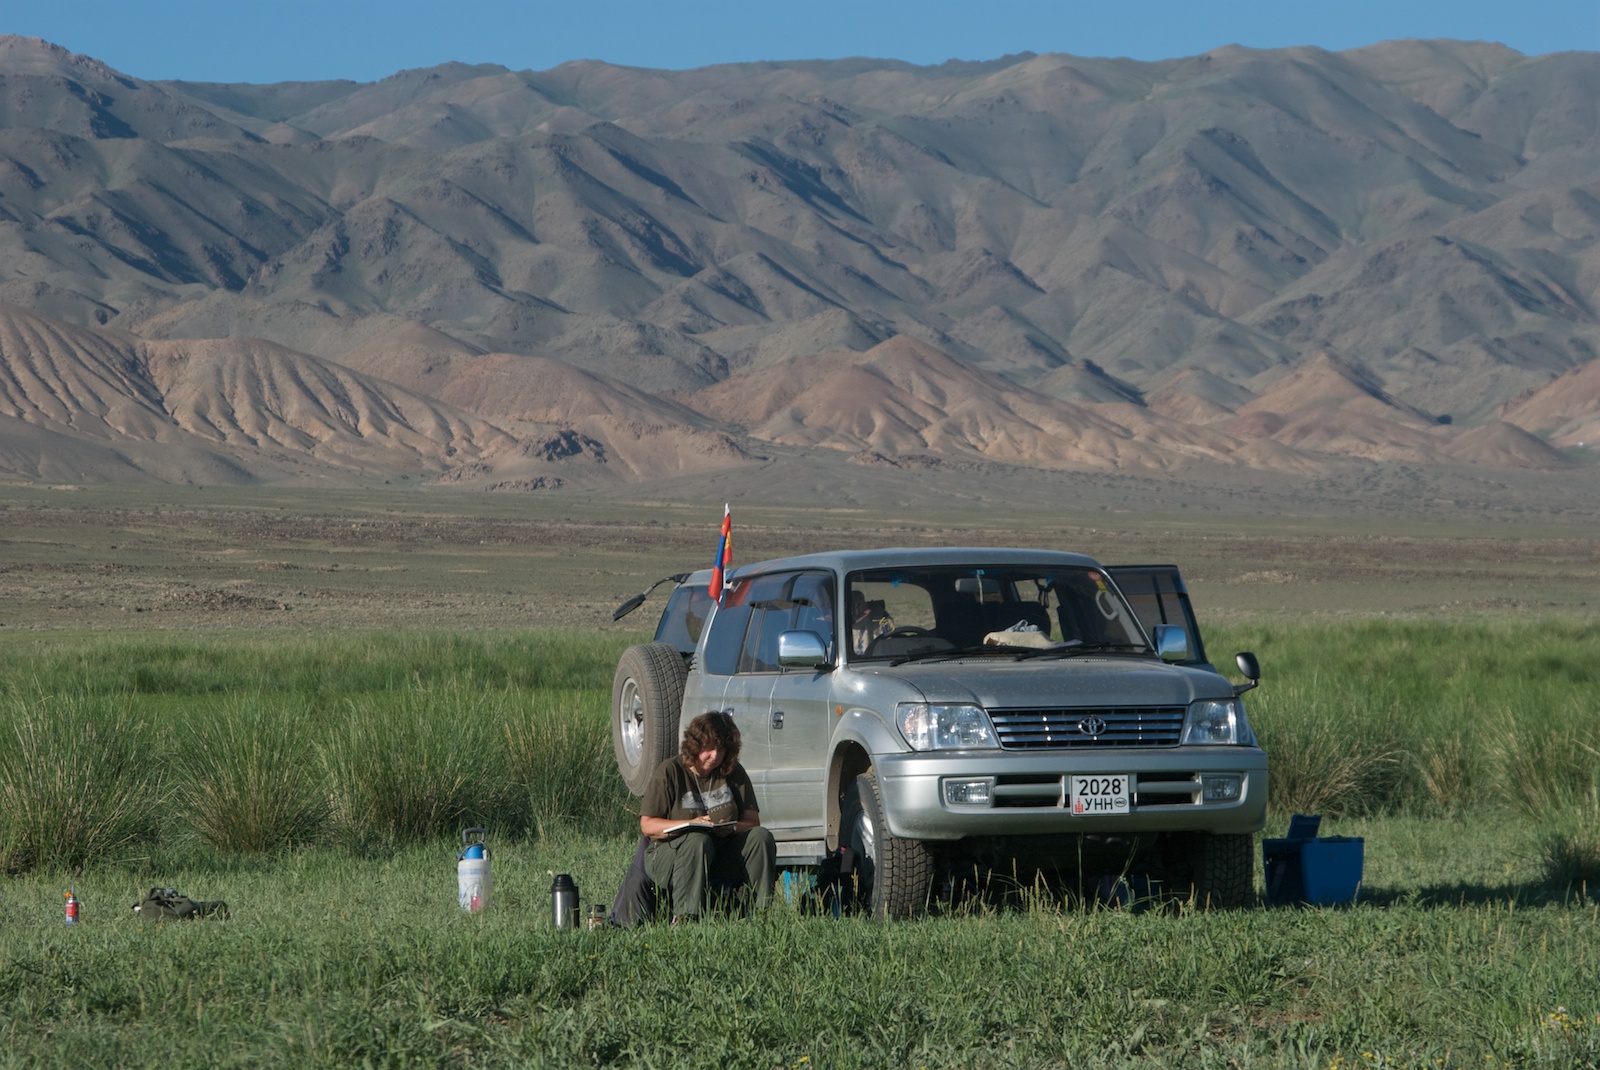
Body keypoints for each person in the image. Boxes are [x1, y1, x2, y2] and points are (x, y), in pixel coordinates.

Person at [639, 711, 776, 921]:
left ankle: (761, 913)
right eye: (709, 749)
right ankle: (686, 917)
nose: (715, 756)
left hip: (720, 848)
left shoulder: (733, 772)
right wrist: (690, 823)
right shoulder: (670, 771)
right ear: (695, 746)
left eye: (721, 750)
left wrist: (730, 828)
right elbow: (647, 825)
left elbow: (752, 821)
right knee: (697, 839)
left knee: (761, 836)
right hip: (670, 852)